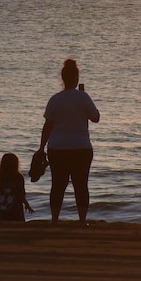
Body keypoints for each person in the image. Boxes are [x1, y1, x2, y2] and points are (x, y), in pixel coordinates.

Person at [36, 58, 100, 224]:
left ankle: (55, 220)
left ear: (62, 79)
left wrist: (41, 147)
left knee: (57, 185)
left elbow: (48, 125)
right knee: (81, 186)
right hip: (81, 148)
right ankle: (82, 220)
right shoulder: (83, 97)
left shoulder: (55, 99)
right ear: (77, 78)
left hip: (57, 148)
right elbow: (96, 118)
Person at [0, 153, 33, 222]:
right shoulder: (19, 177)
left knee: (3, 224)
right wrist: (26, 204)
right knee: (18, 224)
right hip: (16, 209)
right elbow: (21, 194)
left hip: (3, 208)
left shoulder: (1, 177)